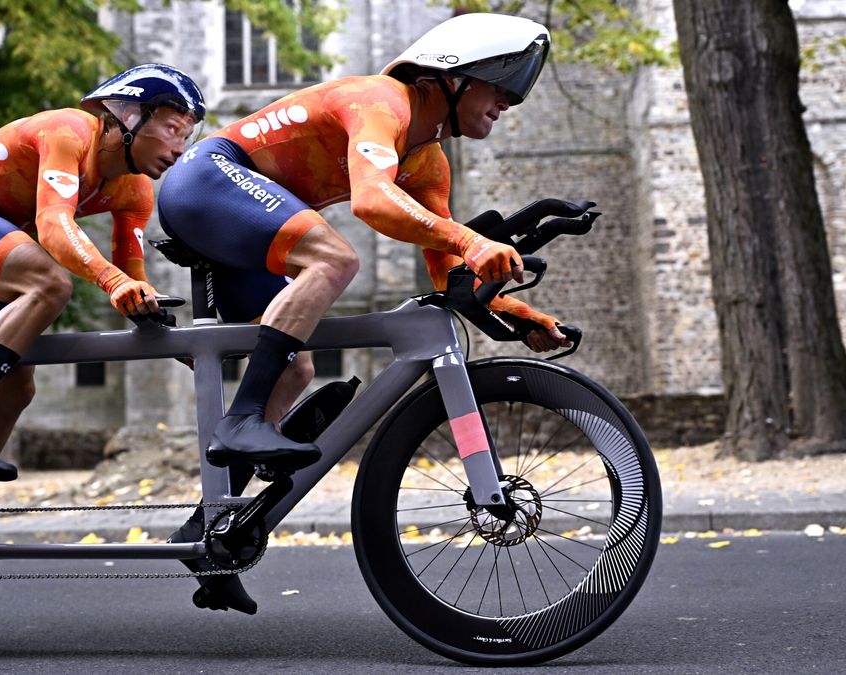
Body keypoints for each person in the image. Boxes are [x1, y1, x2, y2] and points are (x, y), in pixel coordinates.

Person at [157, 13, 568, 614]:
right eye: (500, 83)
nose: (508, 101)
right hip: (208, 181)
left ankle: (211, 531)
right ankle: (241, 420)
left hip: (243, 217)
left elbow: (444, 275)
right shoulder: (382, 100)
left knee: (294, 370)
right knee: (334, 258)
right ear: (450, 79)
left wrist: (511, 312)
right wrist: (473, 241)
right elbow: (374, 201)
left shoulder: (427, 162)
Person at [0, 64, 205, 616]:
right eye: (174, 128)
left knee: (16, 391)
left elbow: (131, 272)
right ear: (129, 117)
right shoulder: (69, 131)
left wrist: (168, 333)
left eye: (190, 135)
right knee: (49, 282)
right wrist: (110, 280)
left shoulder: (135, 190)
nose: (181, 148)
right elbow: (56, 228)